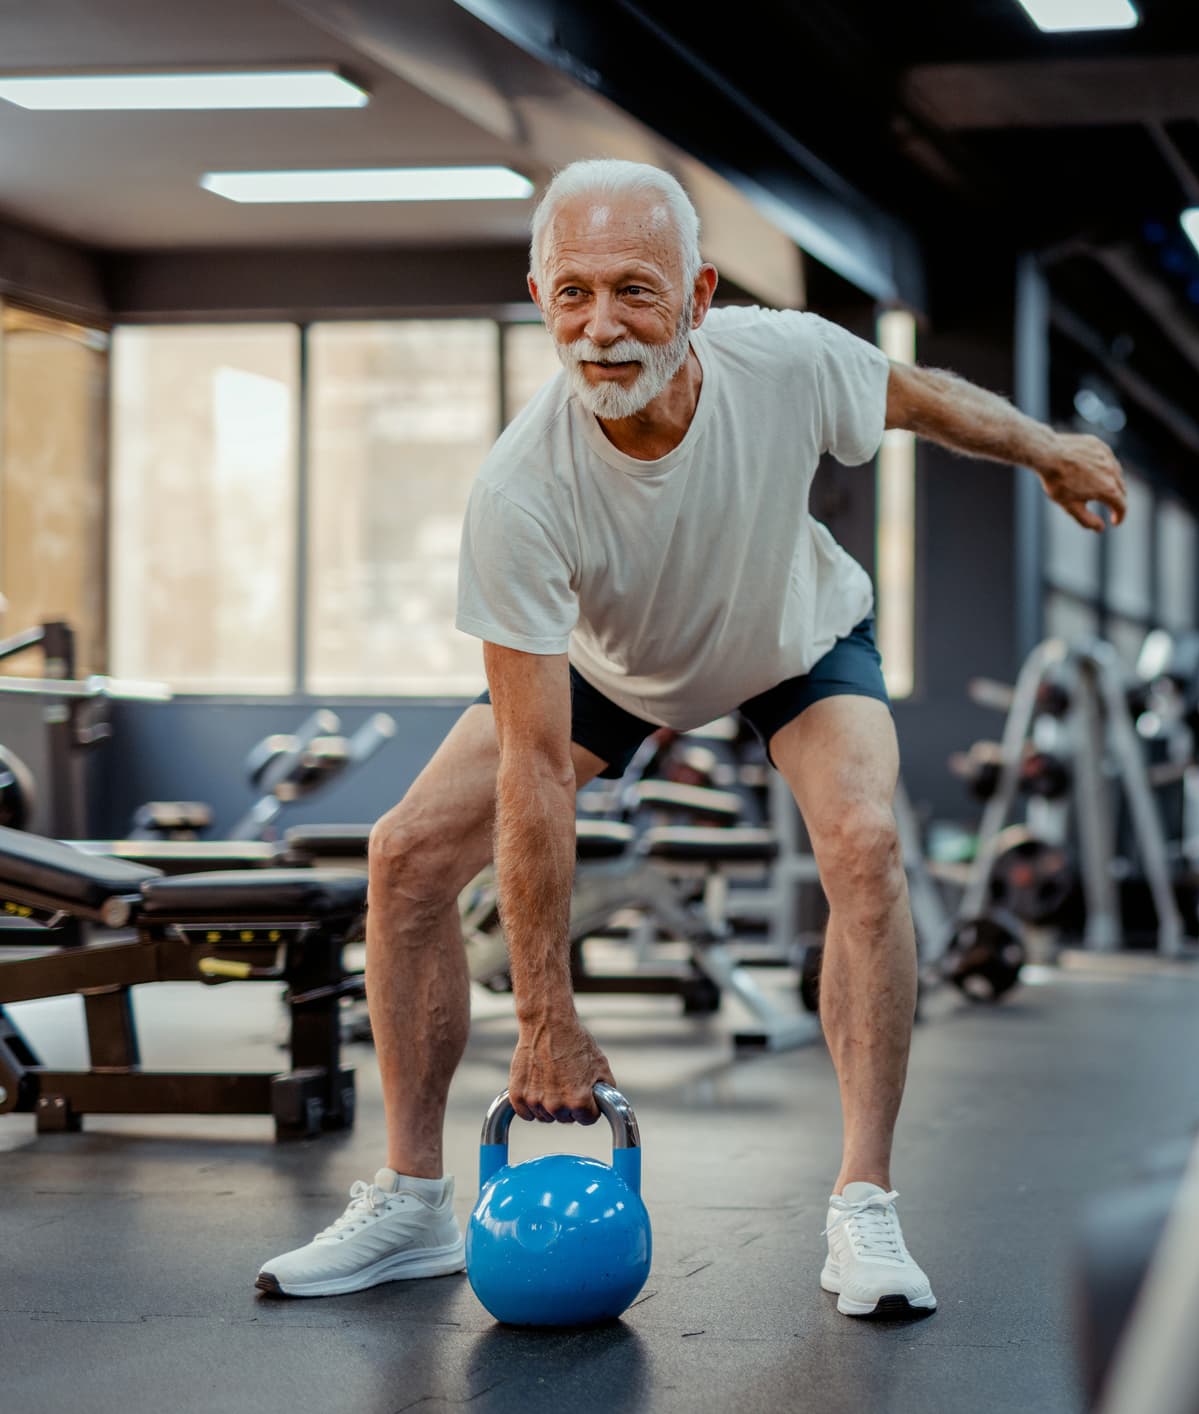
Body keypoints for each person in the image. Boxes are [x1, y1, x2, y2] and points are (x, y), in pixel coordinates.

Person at [255, 159, 1126, 1318]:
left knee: (864, 845)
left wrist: (1048, 448)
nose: (600, 328)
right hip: (614, 665)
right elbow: (531, 769)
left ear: (700, 295)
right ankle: (414, 1202)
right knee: (406, 855)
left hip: (792, 637)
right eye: (570, 293)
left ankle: (863, 1202)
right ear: (537, 296)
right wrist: (547, 1019)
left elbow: (919, 397)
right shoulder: (520, 490)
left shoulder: (786, 359)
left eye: (634, 290)